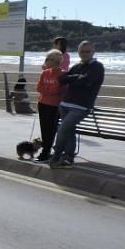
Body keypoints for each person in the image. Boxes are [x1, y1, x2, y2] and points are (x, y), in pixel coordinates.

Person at [50, 41, 104, 169]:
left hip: (81, 107)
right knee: (69, 131)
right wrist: (77, 77)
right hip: (65, 104)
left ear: (93, 52)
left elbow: (86, 81)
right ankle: (68, 159)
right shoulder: (77, 66)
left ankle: (56, 156)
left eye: (87, 51)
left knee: (62, 129)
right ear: (79, 52)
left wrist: (74, 79)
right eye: (82, 52)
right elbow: (62, 79)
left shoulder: (97, 67)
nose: (84, 54)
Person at [35, 49, 64, 162]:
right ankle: (45, 151)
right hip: (43, 103)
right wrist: (47, 90)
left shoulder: (62, 74)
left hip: (54, 105)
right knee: (44, 129)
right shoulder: (45, 73)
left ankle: (46, 152)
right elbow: (38, 87)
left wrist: (46, 90)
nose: (45, 61)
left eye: (48, 59)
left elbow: (56, 90)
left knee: (50, 130)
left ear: (55, 61)